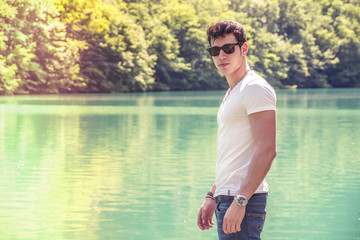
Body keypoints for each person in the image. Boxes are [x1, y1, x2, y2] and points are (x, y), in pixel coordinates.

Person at [197, 20, 277, 240]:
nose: (221, 55)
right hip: (228, 199)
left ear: (244, 48)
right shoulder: (234, 91)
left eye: (228, 48)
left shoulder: (254, 88)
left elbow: (267, 150)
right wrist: (212, 195)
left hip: (243, 201)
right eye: (215, 50)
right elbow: (235, 154)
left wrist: (241, 201)